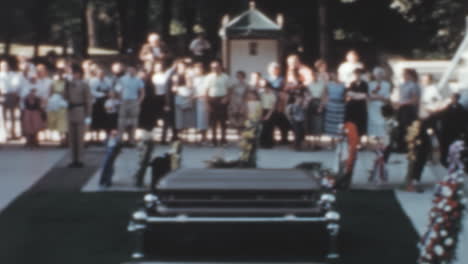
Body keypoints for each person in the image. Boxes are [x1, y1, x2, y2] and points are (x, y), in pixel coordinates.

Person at [64, 65, 92, 168]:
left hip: (80, 110)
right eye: (72, 73)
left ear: (79, 74)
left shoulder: (84, 85)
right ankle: (73, 159)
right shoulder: (69, 84)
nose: (73, 75)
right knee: (72, 138)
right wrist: (66, 86)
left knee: (80, 138)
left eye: (75, 73)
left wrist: (88, 115)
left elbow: (88, 100)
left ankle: (80, 159)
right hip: (71, 111)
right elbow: (65, 96)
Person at [204, 61, 232, 146]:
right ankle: (214, 140)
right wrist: (207, 104)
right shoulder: (208, 77)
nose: (214, 69)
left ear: (220, 67)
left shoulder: (225, 77)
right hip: (212, 100)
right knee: (213, 122)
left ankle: (223, 140)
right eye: (212, 67)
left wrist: (227, 98)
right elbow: (206, 91)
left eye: (216, 67)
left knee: (223, 121)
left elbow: (230, 89)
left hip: (222, 99)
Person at [116, 66, 145, 146]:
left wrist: (139, 101)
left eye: (133, 70)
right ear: (127, 71)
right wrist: (120, 100)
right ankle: (120, 139)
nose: (131, 72)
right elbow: (118, 90)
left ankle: (131, 140)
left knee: (134, 121)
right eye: (130, 70)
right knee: (121, 121)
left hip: (133, 101)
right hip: (124, 101)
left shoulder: (138, 80)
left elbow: (142, 92)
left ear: (135, 71)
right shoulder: (122, 79)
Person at [395, 68, 421, 152]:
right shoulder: (402, 85)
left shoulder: (413, 85)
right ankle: (400, 146)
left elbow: (414, 99)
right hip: (401, 108)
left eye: (406, 74)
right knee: (400, 127)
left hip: (409, 109)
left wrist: (403, 103)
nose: (404, 76)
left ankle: (409, 147)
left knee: (408, 127)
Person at [303, 68, 326, 147]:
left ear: (318, 75)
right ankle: (312, 142)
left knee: (318, 122)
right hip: (311, 102)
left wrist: (321, 106)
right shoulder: (309, 84)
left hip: (319, 102)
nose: (314, 77)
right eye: (313, 75)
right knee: (311, 122)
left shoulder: (322, 84)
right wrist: (306, 102)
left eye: (316, 75)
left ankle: (318, 142)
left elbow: (324, 96)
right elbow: (307, 95)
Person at [367, 67, 391, 139]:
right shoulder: (370, 84)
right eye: (377, 74)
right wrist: (379, 97)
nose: (379, 75)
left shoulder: (386, 84)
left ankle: (381, 143)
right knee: (372, 124)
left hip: (382, 108)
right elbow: (369, 97)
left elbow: (386, 98)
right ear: (374, 75)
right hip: (372, 107)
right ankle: (372, 142)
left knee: (381, 125)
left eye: (380, 74)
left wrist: (377, 97)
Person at [47, 69, 69, 146]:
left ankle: (67, 140)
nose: (60, 75)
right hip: (56, 104)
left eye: (62, 73)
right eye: (59, 73)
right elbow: (51, 92)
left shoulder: (67, 83)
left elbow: (68, 92)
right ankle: (61, 140)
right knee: (58, 123)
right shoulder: (54, 82)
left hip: (64, 104)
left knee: (65, 122)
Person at [89, 68, 112, 142]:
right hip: (96, 102)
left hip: (105, 102)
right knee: (95, 120)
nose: (101, 75)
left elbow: (110, 89)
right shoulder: (93, 81)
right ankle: (94, 137)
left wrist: (108, 94)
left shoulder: (108, 80)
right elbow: (92, 92)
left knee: (107, 120)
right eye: (100, 74)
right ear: (97, 74)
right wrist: (103, 94)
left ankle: (107, 137)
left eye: (103, 74)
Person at [345, 69, 368, 137]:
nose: (357, 75)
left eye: (359, 74)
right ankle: (353, 141)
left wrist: (355, 95)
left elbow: (364, 95)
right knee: (353, 124)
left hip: (361, 107)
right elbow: (349, 94)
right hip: (353, 107)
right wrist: (358, 95)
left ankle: (360, 143)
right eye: (356, 74)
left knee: (360, 125)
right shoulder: (352, 83)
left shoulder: (365, 84)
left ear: (361, 75)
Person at [0, 60, 20, 140]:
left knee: (12, 116)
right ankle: (6, 133)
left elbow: (16, 84)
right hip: (3, 96)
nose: (4, 67)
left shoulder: (13, 74)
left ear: (8, 66)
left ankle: (13, 133)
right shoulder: (0, 75)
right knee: (4, 117)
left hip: (12, 95)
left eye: (6, 66)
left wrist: (14, 92)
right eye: (2, 66)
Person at [173, 68, 196, 133]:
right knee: (180, 121)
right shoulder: (178, 86)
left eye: (188, 78)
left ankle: (187, 135)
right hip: (180, 104)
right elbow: (175, 90)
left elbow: (192, 94)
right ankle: (180, 135)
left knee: (188, 121)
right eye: (186, 78)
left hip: (188, 104)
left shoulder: (192, 86)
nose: (187, 79)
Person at [324, 73, 346, 137]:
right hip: (331, 105)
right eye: (333, 76)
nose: (335, 77)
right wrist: (325, 104)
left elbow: (345, 95)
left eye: (336, 76)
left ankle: (339, 138)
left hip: (340, 105)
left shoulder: (343, 84)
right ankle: (332, 140)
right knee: (331, 123)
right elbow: (325, 95)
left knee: (340, 123)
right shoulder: (328, 84)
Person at [191, 63, 209, 143]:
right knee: (195, 119)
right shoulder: (193, 79)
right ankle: (196, 137)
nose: (197, 71)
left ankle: (204, 137)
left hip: (202, 99)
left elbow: (206, 89)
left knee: (203, 119)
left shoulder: (205, 78)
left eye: (199, 69)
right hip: (193, 100)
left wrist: (199, 96)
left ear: (202, 70)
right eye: (196, 69)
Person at [259, 81, 277, 148]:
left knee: (269, 128)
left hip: (270, 112)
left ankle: (269, 144)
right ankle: (262, 143)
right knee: (263, 128)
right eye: (265, 88)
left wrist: (268, 115)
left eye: (268, 88)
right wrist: (261, 114)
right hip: (263, 110)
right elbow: (261, 104)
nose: (266, 89)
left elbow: (273, 106)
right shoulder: (262, 94)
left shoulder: (272, 95)